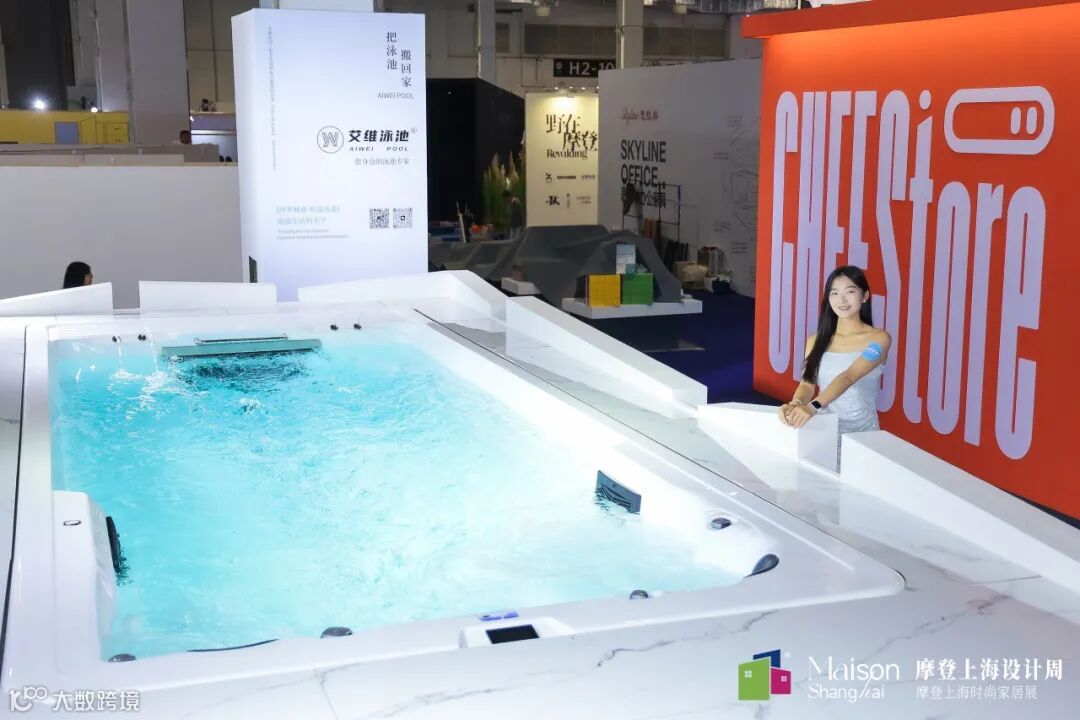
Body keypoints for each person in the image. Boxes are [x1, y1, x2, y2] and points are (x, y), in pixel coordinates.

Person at [778, 265, 892, 459]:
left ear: (865, 296)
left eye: (850, 292)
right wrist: (795, 404)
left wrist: (811, 407)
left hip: (861, 435)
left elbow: (849, 376)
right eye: (835, 293)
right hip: (823, 429)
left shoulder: (879, 339)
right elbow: (807, 384)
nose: (842, 300)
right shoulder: (815, 340)